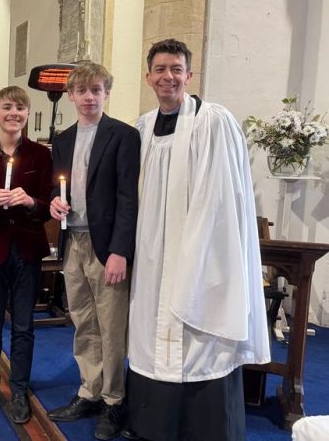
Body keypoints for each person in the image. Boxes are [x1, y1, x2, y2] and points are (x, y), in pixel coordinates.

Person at [125, 38, 271, 441]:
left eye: (176, 69)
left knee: (201, 337)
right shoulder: (141, 128)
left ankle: (205, 428)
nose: (168, 77)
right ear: (148, 77)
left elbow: (223, 196)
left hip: (203, 252)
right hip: (152, 255)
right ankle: (153, 426)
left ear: (189, 75)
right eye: (160, 69)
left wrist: (195, 253)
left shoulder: (214, 121)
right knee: (151, 332)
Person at [46, 62, 140, 440]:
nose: (89, 97)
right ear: (70, 95)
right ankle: (90, 390)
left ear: (106, 93)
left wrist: (120, 251)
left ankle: (115, 400)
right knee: (84, 321)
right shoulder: (63, 139)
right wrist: (55, 202)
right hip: (73, 242)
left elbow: (128, 198)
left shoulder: (123, 136)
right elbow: (58, 187)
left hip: (106, 247)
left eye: (96, 90)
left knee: (112, 326)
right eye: (82, 91)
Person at [0, 86, 53, 424]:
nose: (13, 112)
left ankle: (19, 389)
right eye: (7, 107)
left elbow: (46, 206)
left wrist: (30, 202)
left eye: (20, 107)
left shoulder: (40, 156)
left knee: (23, 326)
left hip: (27, 251)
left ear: (27, 114)